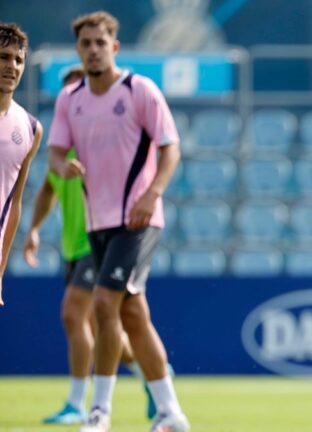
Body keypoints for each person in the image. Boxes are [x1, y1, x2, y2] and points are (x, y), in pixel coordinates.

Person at [47, 11, 188, 432]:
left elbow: (170, 147)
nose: (92, 49)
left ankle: (99, 411)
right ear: (78, 50)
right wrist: (62, 165)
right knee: (133, 316)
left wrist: (152, 193)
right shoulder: (69, 99)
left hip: (139, 219)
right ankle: (171, 412)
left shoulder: (139, 90)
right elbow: (54, 151)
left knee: (104, 303)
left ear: (114, 47)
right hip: (97, 223)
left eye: (100, 42)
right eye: (85, 43)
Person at [25, 65, 158, 425]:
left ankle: (78, 403)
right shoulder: (62, 148)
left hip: (98, 240)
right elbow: (48, 189)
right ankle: (153, 373)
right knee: (104, 326)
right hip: (72, 245)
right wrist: (34, 228)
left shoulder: (102, 142)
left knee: (73, 313)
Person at [0, 22, 42, 306]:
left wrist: (0, 272)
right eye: (3, 57)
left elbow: (15, 202)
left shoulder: (30, 128)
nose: (12, 66)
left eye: (19, 60)